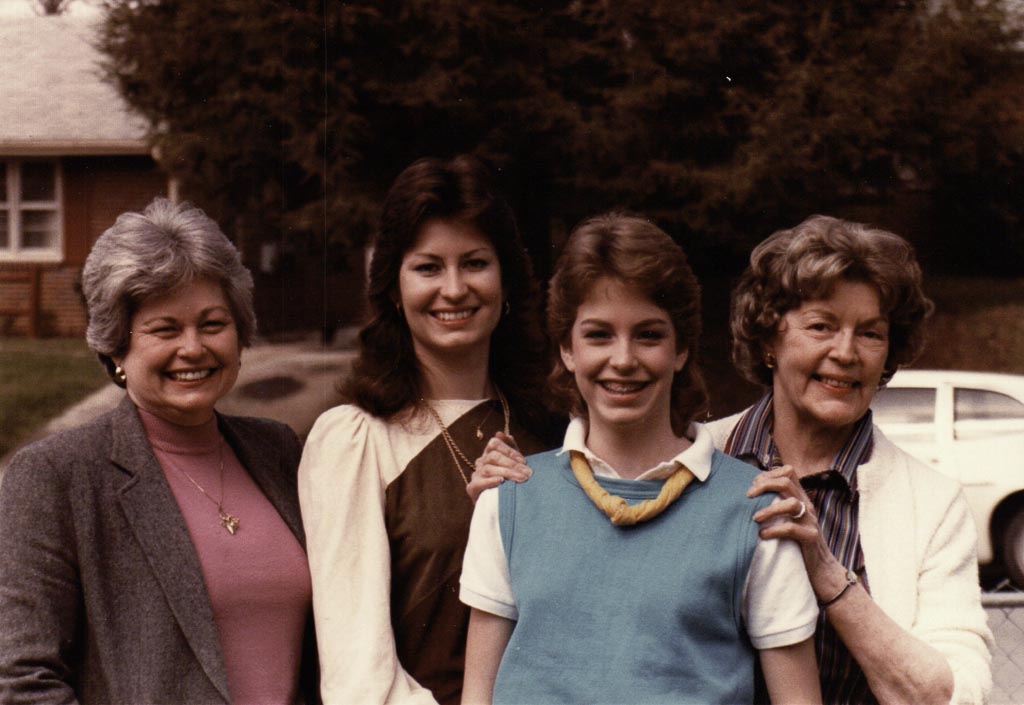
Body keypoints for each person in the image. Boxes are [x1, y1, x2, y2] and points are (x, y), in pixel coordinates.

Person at [471, 215, 994, 704]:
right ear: (769, 338)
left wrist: (828, 574)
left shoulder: (929, 502)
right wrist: (519, 495)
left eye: (871, 333)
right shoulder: (700, 462)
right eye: (821, 326)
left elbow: (955, 694)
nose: (846, 352)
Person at [460, 213, 822, 705]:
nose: (624, 359)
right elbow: (477, 695)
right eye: (599, 335)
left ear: (682, 350)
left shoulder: (755, 509)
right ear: (567, 348)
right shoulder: (510, 500)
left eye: (649, 335)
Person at [0, 198, 319, 704]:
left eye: (212, 324)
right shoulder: (56, 476)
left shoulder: (277, 449)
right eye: (164, 330)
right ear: (117, 348)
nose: (193, 348)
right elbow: (22, 680)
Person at [297, 155, 557, 705]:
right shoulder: (355, 441)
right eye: (429, 267)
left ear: (507, 279)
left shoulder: (558, 430)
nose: (455, 289)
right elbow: (357, 670)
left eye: (476, 263)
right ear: (393, 287)